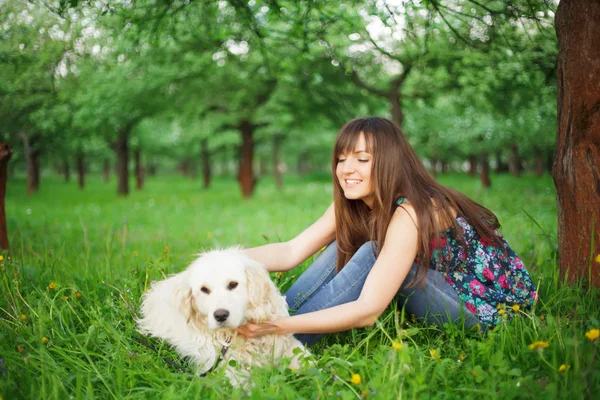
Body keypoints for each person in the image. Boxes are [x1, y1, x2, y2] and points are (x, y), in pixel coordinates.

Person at [239, 117, 537, 346]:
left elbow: (368, 310)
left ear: (389, 163)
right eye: (341, 159)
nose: (346, 169)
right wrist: (219, 262)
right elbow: (291, 251)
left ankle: (275, 341)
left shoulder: (417, 209)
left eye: (362, 159)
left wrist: (279, 326)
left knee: (371, 251)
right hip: (441, 290)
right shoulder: (352, 203)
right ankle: (262, 332)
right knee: (345, 246)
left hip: (488, 312)